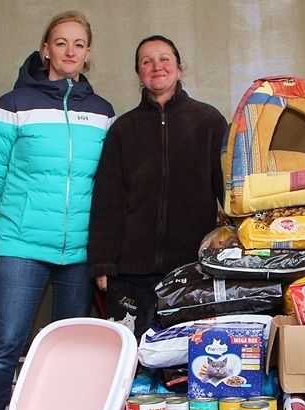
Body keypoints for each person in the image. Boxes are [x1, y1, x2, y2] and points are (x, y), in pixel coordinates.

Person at [0, 11, 115, 410]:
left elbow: (108, 181)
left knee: (70, 349)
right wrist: (21, 211)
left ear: (88, 54)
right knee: (6, 342)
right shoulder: (12, 104)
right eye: (61, 42)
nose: (70, 51)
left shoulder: (103, 112)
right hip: (22, 244)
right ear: (45, 49)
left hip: (80, 252)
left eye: (79, 44)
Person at [88, 35, 228, 340]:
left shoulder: (209, 122)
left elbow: (230, 193)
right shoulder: (123, 129)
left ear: (179, 68)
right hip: (131, 274)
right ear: (139, 74)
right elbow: (107, 200)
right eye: (146, 61)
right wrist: (102, 263)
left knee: (190, 356)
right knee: (132, 354)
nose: (156, 66)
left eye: (164, 59)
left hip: (194, 270)